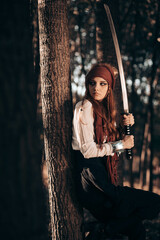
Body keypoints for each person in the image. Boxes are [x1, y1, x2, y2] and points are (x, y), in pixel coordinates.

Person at [72, 63, 160, 240]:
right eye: (92, 83)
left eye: (102, 83)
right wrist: (121, 144)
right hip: (92, 181)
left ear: (109, 88)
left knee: (137, 231)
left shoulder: (101, 111)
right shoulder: (85, 107)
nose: (96, 88)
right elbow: (89, 150)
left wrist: (123, 128)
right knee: (155, 203)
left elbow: (105, 146)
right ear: (87, 85)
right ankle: (104, 230)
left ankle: (102, 229)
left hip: (98, 179)